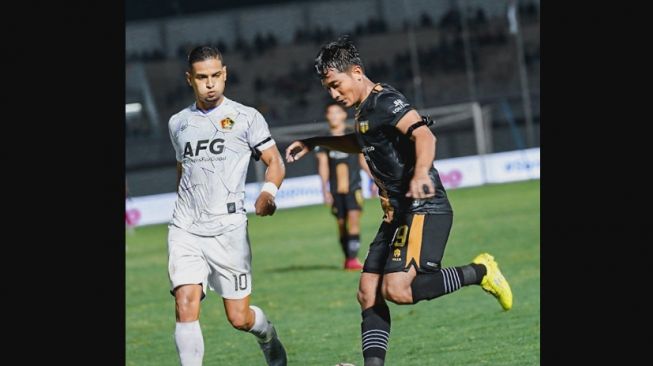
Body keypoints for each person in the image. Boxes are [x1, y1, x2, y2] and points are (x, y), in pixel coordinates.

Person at [285, 37, 512, 366]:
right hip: (396, 215)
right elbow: (362, 140)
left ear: (357, 72)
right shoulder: (364, 111)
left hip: (423, 206)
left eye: (336, 85)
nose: (333, 94)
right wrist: (314, 142)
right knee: (367, 292)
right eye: (328, 89)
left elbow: (424, 134)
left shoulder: (386, 100)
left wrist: (420, 173)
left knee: (398, 290)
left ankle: (481, 271)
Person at [167, 46, 287, 366]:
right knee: (185, 300)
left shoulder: (247, 117)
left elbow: (275, 161)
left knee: (239, 318)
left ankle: (267, 335)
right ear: (189, 79)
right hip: (186, 227)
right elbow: (183, 170)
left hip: (229, 231)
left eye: (215, 76)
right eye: (202, 77)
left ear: (225, 74)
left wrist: (268, 192)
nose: (210, 84)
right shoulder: (178, 123)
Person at [315, 102, 375, 270]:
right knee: (341, 224)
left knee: (353, 219)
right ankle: (348, 258)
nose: (334, 116)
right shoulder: (324, 140)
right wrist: (324, 189)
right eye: (330, 113)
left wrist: (373, 179)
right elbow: (323, 166)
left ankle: (353, 259)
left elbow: (364, 161)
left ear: (343, 115)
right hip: (335, 191)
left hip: (354, 187)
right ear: (327, 116)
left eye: (337, 112)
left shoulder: (353, 136)